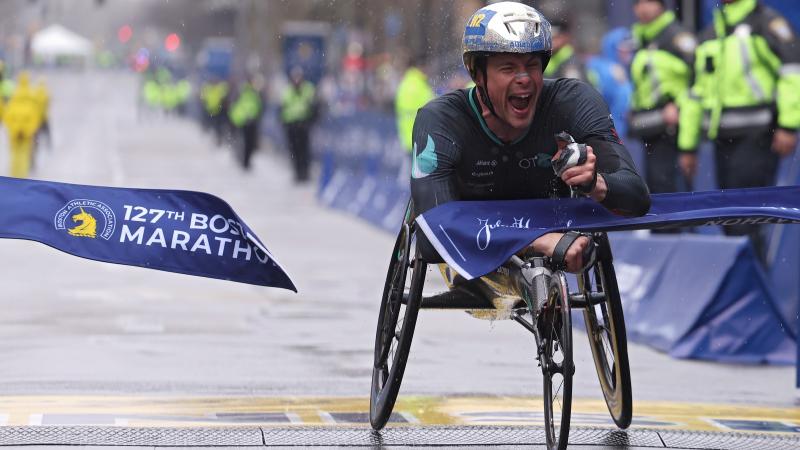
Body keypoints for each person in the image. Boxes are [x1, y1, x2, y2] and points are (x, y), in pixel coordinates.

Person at [410, 2, 650, 280]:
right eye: (508, 68)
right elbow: (431, 240)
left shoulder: (574, 101)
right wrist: (536, 241)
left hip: (550, 223)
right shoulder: (440, 119)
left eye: (532, 65)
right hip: (476, 241)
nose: (524, 78)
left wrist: (594, 182)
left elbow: (638, 198)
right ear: (477, 73)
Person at [678, 0, 800, 261]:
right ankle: (749, 283)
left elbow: (792, 74)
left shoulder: (766, 23)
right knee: (730, 218)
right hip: (722, 140)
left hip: (758, 136)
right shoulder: (710, 34)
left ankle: (755, 289)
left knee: (748, 219)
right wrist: (688, 146)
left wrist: (789, 125)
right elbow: (695, 95)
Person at [629, 0, 696, 204]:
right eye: (638, 3)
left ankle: (677, 234)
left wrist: (677, 104)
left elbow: (701, 81)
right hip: (651, 127)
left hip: (675, 128)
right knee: (655, 190)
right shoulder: (640, 38)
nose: (643, 8)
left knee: (671, 192)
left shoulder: (677, 36)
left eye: (649, 1)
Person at [586, 27, 634, 139]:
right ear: (613, 48)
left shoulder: (624, 69)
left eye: (631, 48)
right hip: (605, 133)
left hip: (618, 133)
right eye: (624, 48)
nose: (628, 52)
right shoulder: (601, 68)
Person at [280, 66, 317, 183]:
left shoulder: (309, 90)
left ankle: (304, 173)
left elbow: (314, 108)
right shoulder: (287, 91)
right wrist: (285, 123)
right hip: (291, 126)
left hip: (303, 126)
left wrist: (309, 122)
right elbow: (282, 109)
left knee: (304, 151)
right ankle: (297, 173)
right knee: (294, 151)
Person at [395, 53, 435, 154]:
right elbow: (435, 109)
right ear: (423, 67)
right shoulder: (421, 86)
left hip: (406, 139)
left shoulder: (404, 83)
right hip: (421, 141)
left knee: (408, 168)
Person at [228, 75, 265, 171]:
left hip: (248, 121)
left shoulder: (253, 93)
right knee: (246, 143)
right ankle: (245, 161)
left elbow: (259, 107)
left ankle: (245, 161)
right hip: (243, 121)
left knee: (248, 143)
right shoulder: (246, 92)